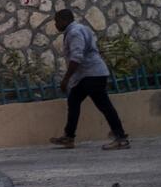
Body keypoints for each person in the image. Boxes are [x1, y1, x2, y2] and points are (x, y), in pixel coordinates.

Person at [49, 9, 129, 150]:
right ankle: (69, 137)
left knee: (104, 105)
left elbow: (76, 57)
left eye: (57, 21)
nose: (55, 24)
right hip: (86, 76)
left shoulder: (74, 33)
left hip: (92, 75)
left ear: (64, 20)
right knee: (73, 101)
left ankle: (120, 138)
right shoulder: (80, 28)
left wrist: (66, 79)